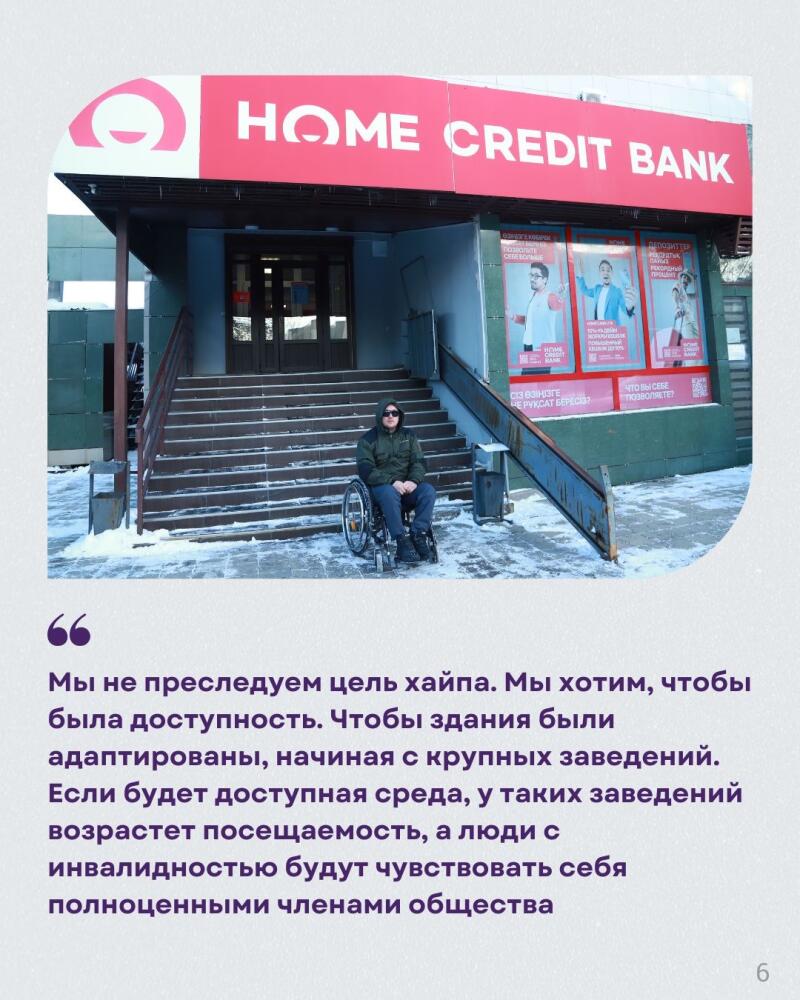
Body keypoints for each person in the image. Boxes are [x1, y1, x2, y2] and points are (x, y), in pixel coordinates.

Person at [355, 398, 436, 563]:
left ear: (400, 416)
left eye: (394, 413)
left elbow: (419, 462)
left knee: (428, 491)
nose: (390, 416)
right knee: (389, 492)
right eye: (386, 413)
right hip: (381, 489)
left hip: (407, 488)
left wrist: (413, 480)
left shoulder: (409, 436)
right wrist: (392, 481)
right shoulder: (367, 440)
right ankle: (401, 541)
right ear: (379, 416)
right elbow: (366, 470)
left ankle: (418, 534)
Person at [506, 262, 568, 354]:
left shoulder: (550, 297)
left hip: (543, 349)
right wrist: (513, 317)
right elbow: (530, 321)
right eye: (531, 275)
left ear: (545, 279)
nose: (532, 279)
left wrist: (561, 296)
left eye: (536, 276)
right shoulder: (532, 296)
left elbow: (557, 306)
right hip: (528, 345)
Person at [576, 257, 637, 323]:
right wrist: (580, 274)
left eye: (608, 270)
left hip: (612, 330)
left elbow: (625, 309)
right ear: (599, 273)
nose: (605, 273)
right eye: (602, 270)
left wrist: (630, 307)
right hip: (599, 329)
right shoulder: (597, 289)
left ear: (612, 273)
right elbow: (584, 291)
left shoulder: (617, 291)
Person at [672, 270, 699, 340]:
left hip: (691, 320)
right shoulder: (678, 285)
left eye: (687, 279)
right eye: (684, 277)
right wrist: (677, 307)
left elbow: (696, 295)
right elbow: (675, 293)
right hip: (685, 320)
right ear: (681, 278)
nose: (685, 279)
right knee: (689, 342)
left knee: (696, 342)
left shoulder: (685, 293)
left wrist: (694, 280)